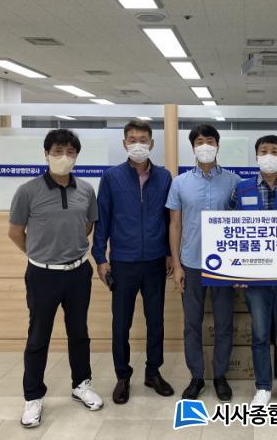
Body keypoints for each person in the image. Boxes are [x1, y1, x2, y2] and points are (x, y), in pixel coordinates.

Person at [8, 129, 103, 428]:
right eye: (58, 151)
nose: (64, 156)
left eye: (70, 152)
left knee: (79, 332)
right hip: (42, 275)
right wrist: (40, 253)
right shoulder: (27, 191)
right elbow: (15, 232)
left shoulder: (86, 190)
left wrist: (67, 248)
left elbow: (87, 225)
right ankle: (33, 396)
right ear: (46, 154)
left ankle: (81, 384)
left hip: (78, 272)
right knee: (38, 336)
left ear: (77, 156)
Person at [92, 120, 174, 404]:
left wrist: (169, 253)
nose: (138, 144)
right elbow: (102, 217)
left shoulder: (164, 177)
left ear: (152, 143)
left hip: (154, 261)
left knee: (156, 321)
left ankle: (153, 372)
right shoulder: (112, 177)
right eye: (132, 139)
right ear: (124, 143)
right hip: (123, 262)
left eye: (143, 139)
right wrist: (100, 257)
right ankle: (122, 376)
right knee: (121, 324)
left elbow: (169, 219)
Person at [229, 135, 277, 407]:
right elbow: (231, 230)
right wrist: (235, 271)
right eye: (264, 151)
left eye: (274, 151)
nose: (269, 155)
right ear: (256, 156)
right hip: (255, 277)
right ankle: (263, 386)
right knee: (260, 334)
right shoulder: (242, 189)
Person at [166, 124, 242, 401]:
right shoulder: (180, 182)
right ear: (193, 147)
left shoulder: (234, 182)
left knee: (224, 323)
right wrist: (177, 264)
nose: (205, 146)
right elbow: (175, 224)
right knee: (192, 324)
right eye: (200, 142)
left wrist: (241, 268)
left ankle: (220, 376)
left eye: (210, 141)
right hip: (191, 263)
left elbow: (242, 223)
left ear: (217, 145)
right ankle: (196, 377)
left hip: (224, 266)